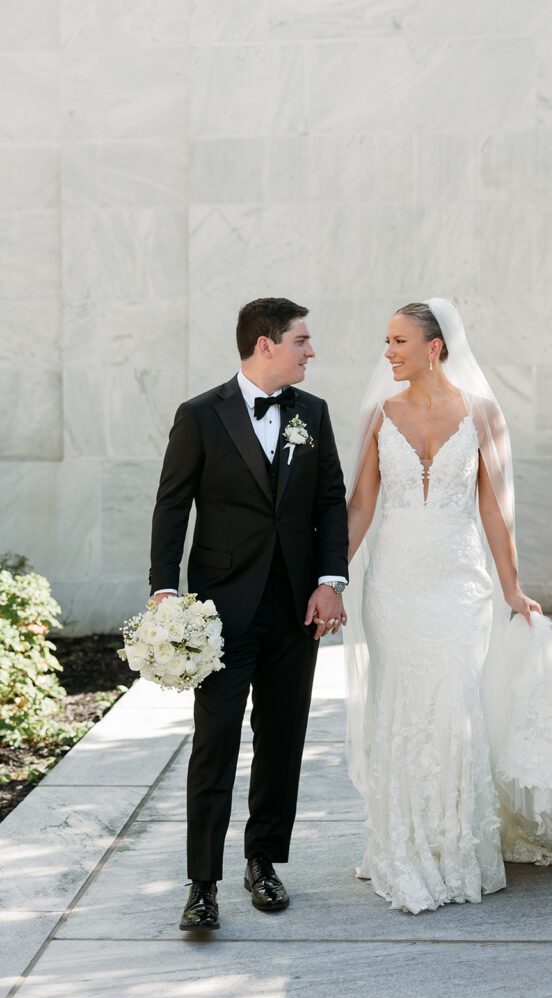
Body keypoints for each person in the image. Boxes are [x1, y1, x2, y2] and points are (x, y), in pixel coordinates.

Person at [344, 298, 552, 915]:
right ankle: (406, 841)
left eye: (399, 342)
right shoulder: (380, 414)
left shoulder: (483, 414)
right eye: (386, 341)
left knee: (457, 702)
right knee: (405, 703)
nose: (387, 353)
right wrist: (329, 576)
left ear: (435, 346)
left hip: (460, 585)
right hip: (396, 585)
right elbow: (360, 506)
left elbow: (496, 509)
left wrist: (512, 587)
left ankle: (456, 840)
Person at [149, 297, 349, 930]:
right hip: (219, 613)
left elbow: (330, 502)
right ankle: (201, 885)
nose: (310, 351)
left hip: (296, 610)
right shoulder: (201, 415)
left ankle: (263, 863)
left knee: (282, 740)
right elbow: (172, 505)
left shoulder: (311, 414)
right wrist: (164, 591)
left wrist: (330, 580)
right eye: (301, 340)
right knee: (215, 745)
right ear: (266, 344)